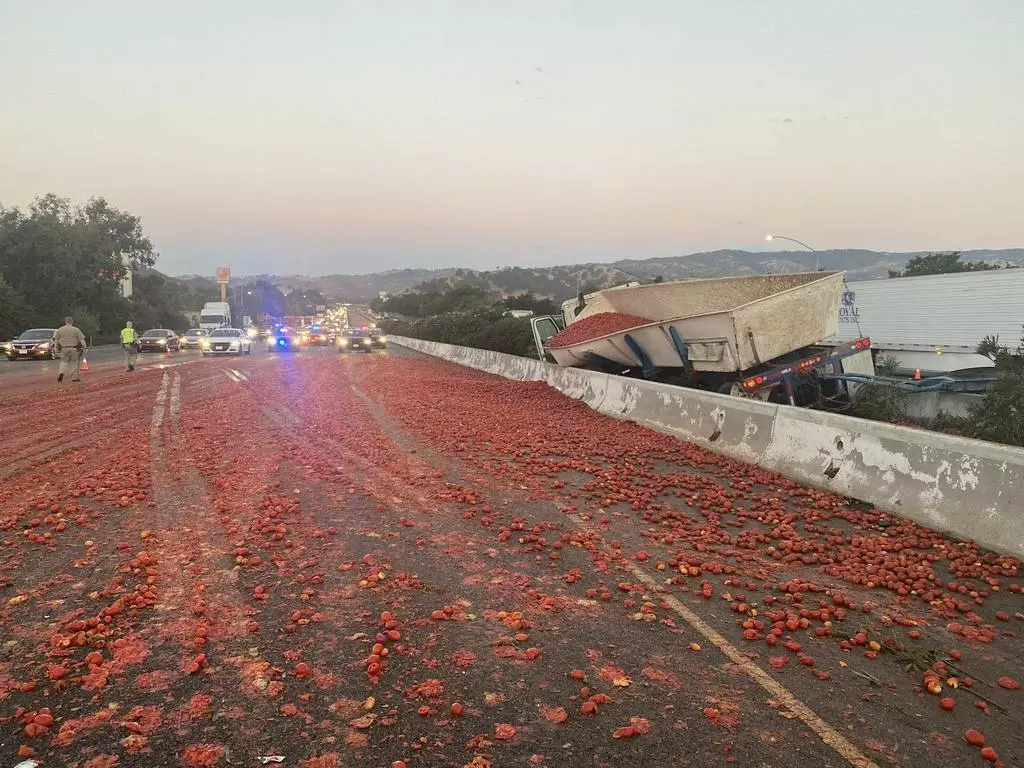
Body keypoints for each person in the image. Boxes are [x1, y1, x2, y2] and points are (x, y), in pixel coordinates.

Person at [54, 316, 87, 383]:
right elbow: (81, 340)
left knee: (63, 362)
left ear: (65, 321)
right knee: (74, 362)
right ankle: (75, 378)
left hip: (64, 348)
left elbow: (56, 340)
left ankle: (61, 372)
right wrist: (85, 347)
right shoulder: (76, 329)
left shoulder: (60, 329)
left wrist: (56, 348)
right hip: (73, 348)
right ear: (72, 321)